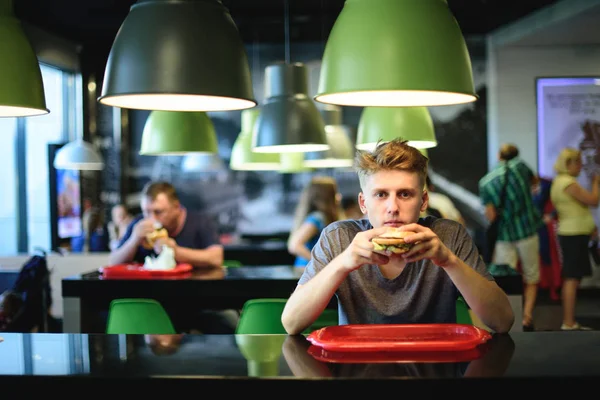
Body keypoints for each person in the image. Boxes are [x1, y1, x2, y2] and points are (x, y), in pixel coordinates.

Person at [281, 139, 514, 335]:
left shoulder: (448, 235)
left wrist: (448, 261)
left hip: (436, 370)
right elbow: (291, 324)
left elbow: (502, 322)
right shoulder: (339, 237)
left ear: (423, 201)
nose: (392, 207)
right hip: (358, 371)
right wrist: (343, 262)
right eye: (381, 194)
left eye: (405, 194)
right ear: (364, 203)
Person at [478, 143, 542, 331]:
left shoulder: (486, 182)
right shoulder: (521, 167)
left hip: (504, 236)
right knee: (531, 275)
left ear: (499, 156)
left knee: (505, 277)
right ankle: (527, 316)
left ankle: (510, 316)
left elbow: (490, 215)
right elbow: (535, 184)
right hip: (527, 230)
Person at [109, 181, 224, 269]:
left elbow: (216, 258)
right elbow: (113, 262)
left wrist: (175, 251)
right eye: (146, 212)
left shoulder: (200, 222)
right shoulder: (138, 224)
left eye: (158, 212)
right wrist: (133, 241)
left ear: (176, 207)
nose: (152, 218)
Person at [550, 148, 599, 330]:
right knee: (572, 278)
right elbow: (593, 200)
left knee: (573, 277)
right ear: (568, 164)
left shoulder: (559, 182)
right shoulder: (568, 183)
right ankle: (568, 322)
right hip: (573, 235)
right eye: (577, 162)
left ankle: (570, 321)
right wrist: (596, 182)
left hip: (573, 233)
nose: (580, 166)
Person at [287, 176, 341, 268]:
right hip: (307, 270)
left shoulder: (320, 217)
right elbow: (294, 245)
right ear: (327, 196)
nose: (339, 196)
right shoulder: (317, 218)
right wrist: (320, 262)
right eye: (335, 193)